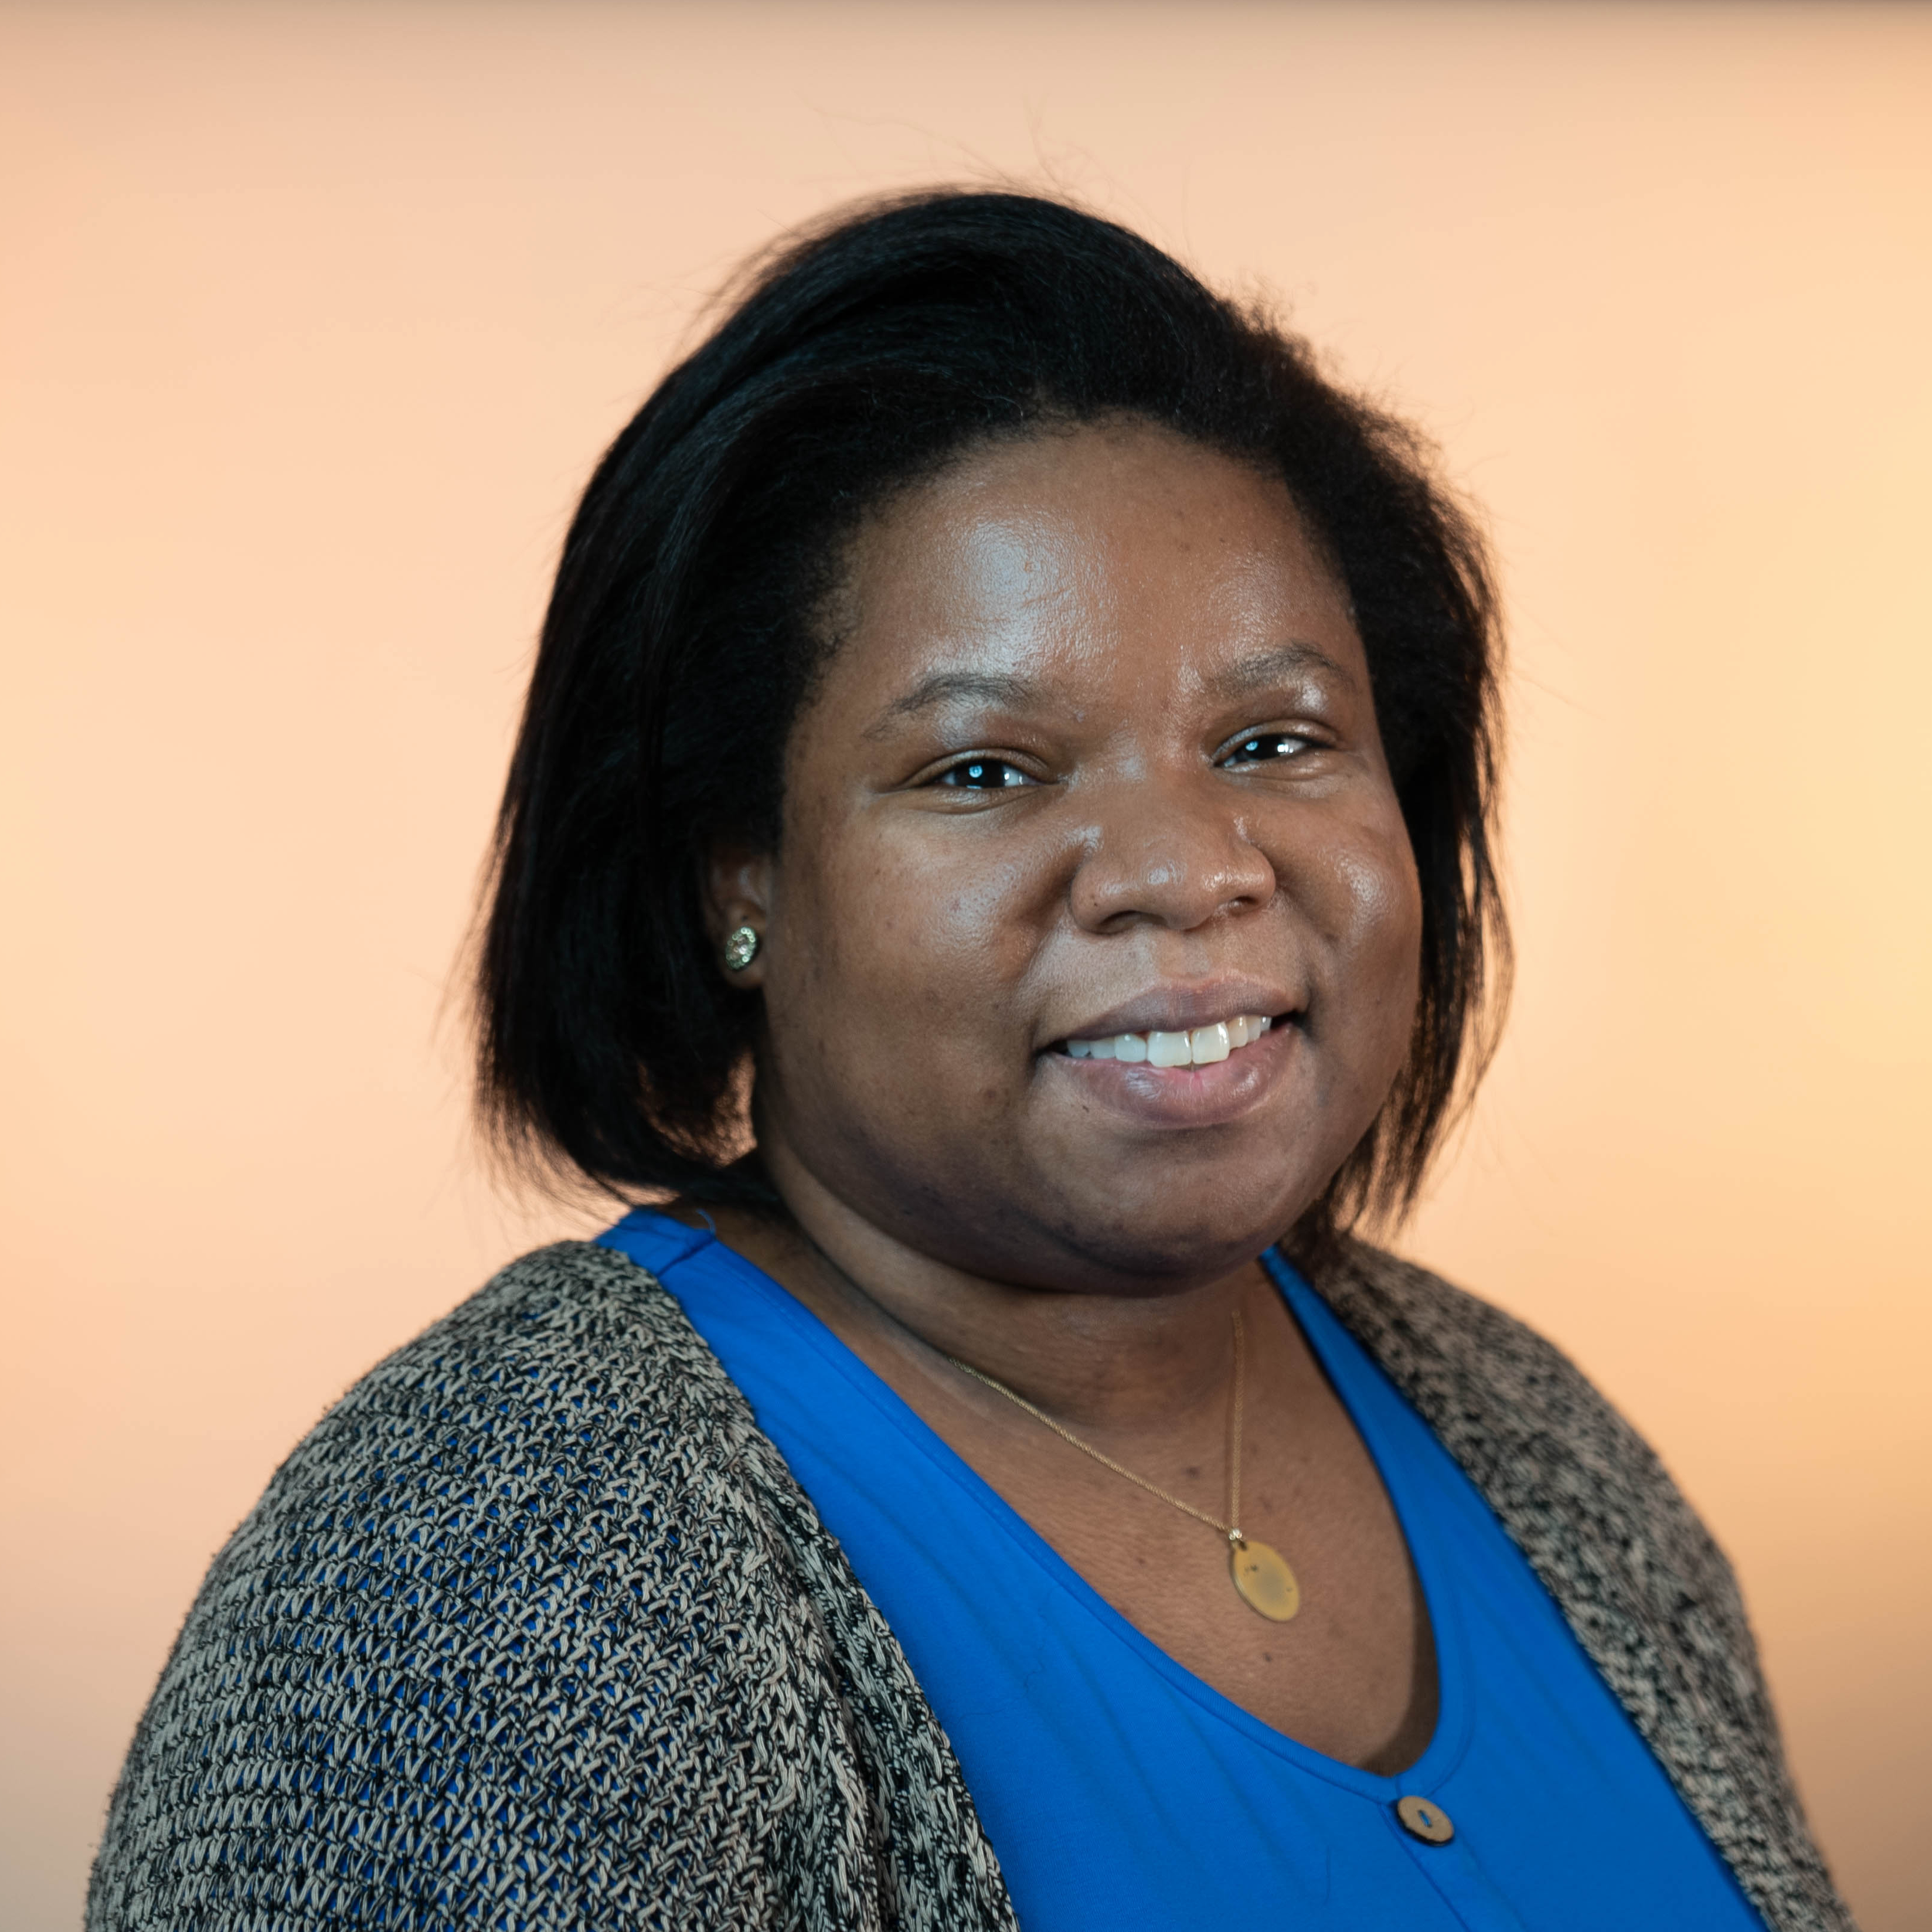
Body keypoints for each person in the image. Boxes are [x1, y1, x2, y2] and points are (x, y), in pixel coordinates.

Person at [88, 191, 1852, 1932]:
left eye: (1271, 737)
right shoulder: (486, 1567)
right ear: (738, 879)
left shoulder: (1533, 1441)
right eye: (984, 770)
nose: (1184, 866)